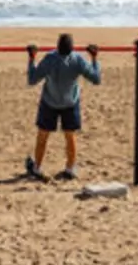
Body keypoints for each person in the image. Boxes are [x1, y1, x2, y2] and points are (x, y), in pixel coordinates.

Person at [24, 33, 101, 182]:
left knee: (43, 135)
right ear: (71, 48)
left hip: (50, 101)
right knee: (69, 135)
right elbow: (96, 79)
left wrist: (32, 58)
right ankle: (70, 168)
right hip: (69, 102)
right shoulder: (77, 60)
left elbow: (32, 79)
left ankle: (37, 167)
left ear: (57, 46)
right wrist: (94, 58)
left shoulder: (50, 59)